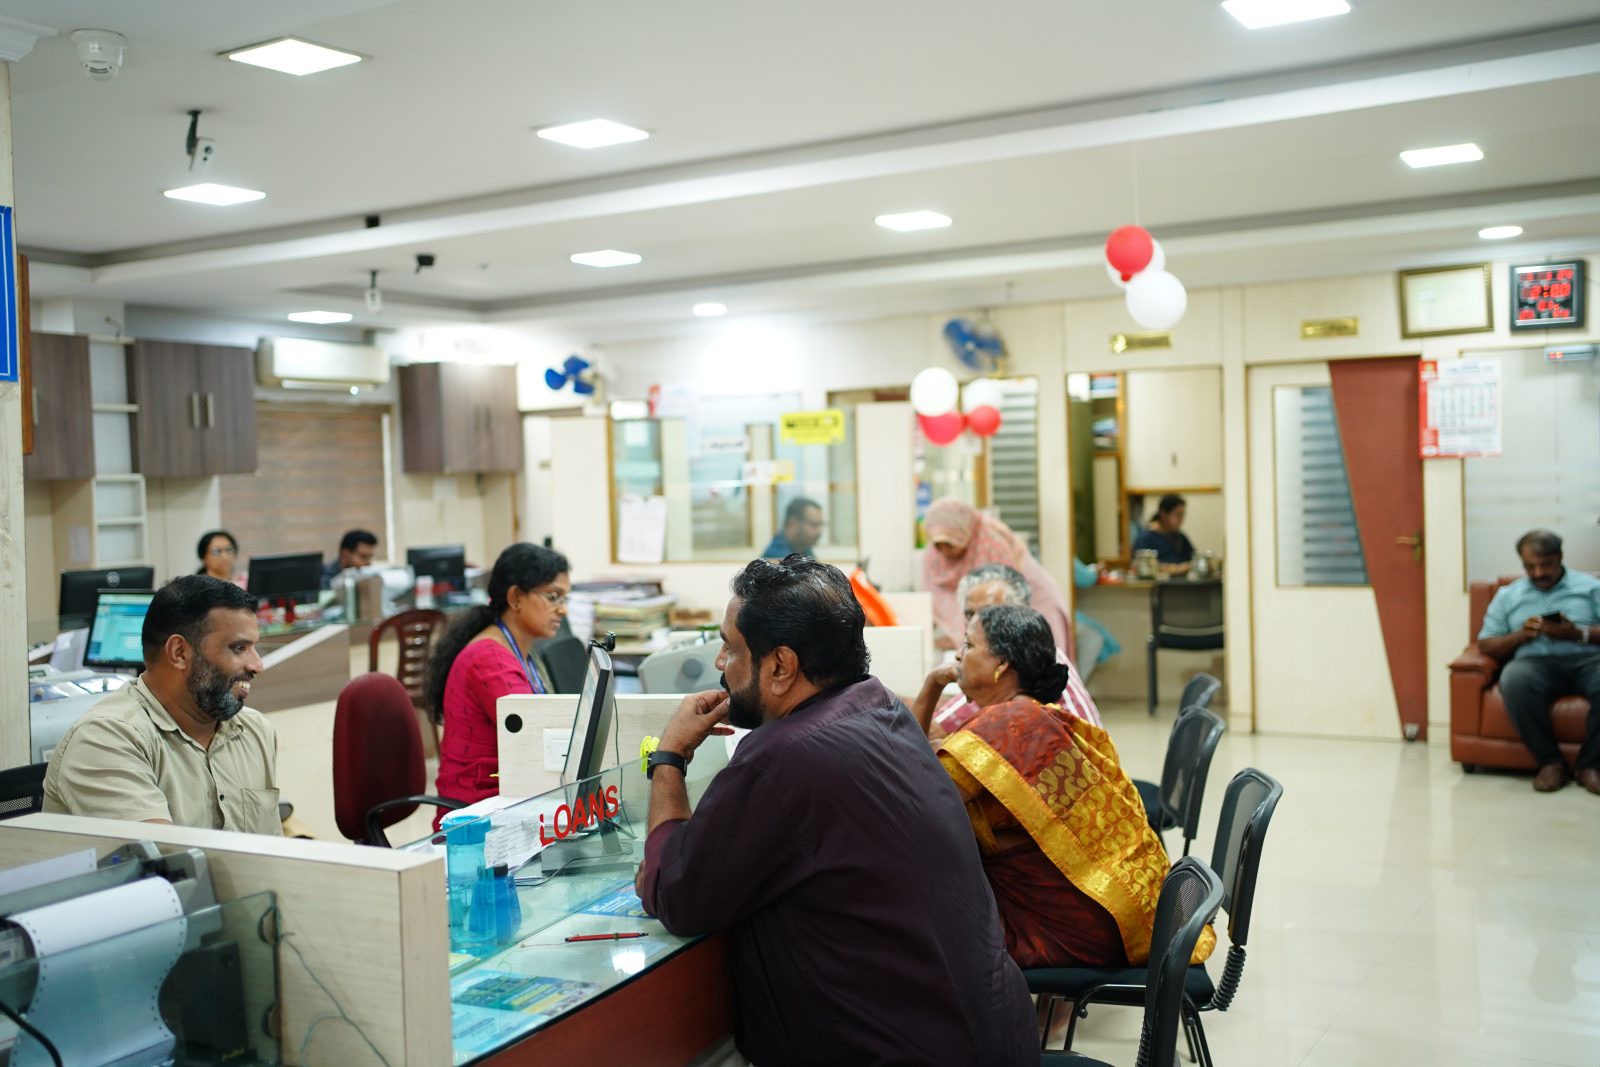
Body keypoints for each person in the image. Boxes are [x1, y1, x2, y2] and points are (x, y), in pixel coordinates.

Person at [634, 556, 1037, 1067]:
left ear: (781, 666)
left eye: (731, 648)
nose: (720, 663)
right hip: (991, 1039)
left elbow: (676, 894)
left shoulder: (783, 756)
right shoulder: (883, 708)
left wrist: (668, 758)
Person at [939, 605, 1213, 970]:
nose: (958, 655)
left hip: (1074, 930)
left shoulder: (1008, 724)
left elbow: (925, 800)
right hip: (1112, 915)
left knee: (928, 929)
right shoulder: (1033, 715)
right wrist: (931, 687)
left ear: (1001, 664)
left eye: (969, 644)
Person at [43, 575, 280, 834]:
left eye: (254, 648)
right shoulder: (106, 738)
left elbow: (271, 846)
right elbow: (163, 854)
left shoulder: (255, 730)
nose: (257, 665)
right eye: (239, 648)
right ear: (179, 653)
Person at [427, 543, 571, 810]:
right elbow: (536, 740)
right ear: (515, 597)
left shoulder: (519, 651)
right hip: (478, 812)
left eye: (564, 599)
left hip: (510, 796)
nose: (563, 610)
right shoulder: (490, 660)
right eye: (553, 597)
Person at [913, 563, 1102, 739]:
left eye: (992, 614)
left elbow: (922, 740)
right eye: (970, 614)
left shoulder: (1033, 670)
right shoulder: (995, 674)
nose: (976, 624)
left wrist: (932, 684)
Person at [1476, 529, 1600, 794]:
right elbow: (1486, 643)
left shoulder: (1591, 587)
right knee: (1515, 679)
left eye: (1546, 565)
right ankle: (1550, 763)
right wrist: (1522, 635)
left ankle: (1590, 766)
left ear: (1560, 557)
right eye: (1530, 566)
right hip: (1534, 663)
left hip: (1588, 660)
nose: (1538, 573)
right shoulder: (1507, 595)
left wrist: (1576, 633)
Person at [920, 497, 1073, 654]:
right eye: (938, 545)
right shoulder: (933, 557)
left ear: (964, 534)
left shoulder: (990, 543)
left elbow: (1001, 607)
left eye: (949, 544)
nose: (944, 551)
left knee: (1041, 653)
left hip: (1035, 602)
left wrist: (961, 638)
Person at [1132, 493, 1196, 570]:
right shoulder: (1145, 537)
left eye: (1182, 515)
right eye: (1178, 515)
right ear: (1163, 514)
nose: (1181, 520)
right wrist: (1176, 569)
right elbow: (1141, 565)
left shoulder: (1180, 537)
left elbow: (1193, 558)